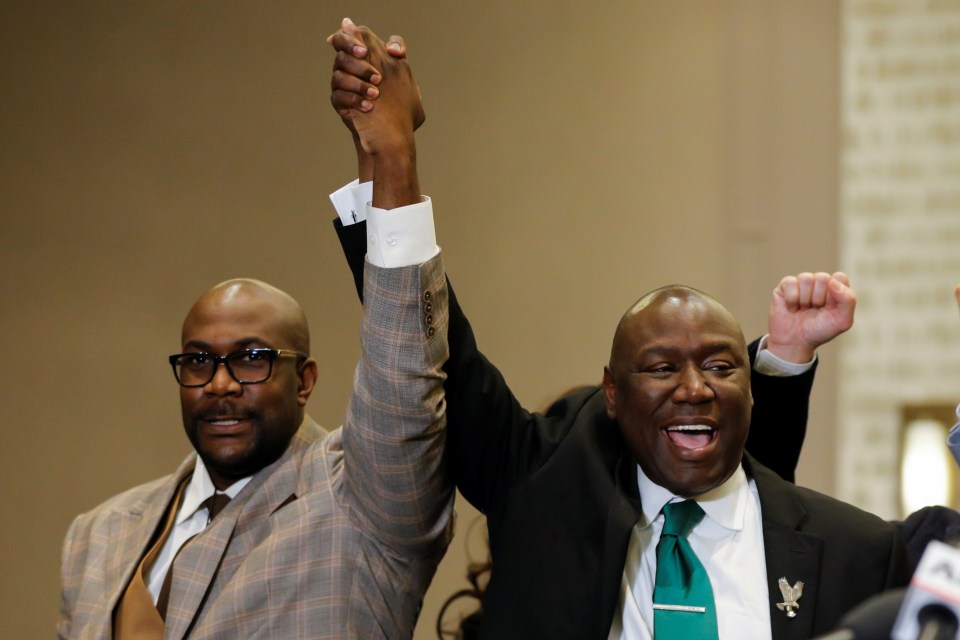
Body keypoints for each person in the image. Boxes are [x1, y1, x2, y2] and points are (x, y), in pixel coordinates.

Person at [326, 21, 909, 640]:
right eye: (661, 368)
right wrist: (391, 162)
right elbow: (437, 354)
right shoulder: (546, 496)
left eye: (720, 366)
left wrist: (787, 359)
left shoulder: (860, 551)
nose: (693, 388)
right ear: (611, 392)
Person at [58, 41, 451, 639]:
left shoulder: (360, 504)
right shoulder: (100, 533)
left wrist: (391, 152)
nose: (220, 383)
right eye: (198, 361)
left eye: (252, 360)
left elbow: (403, 375)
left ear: (306, 380)